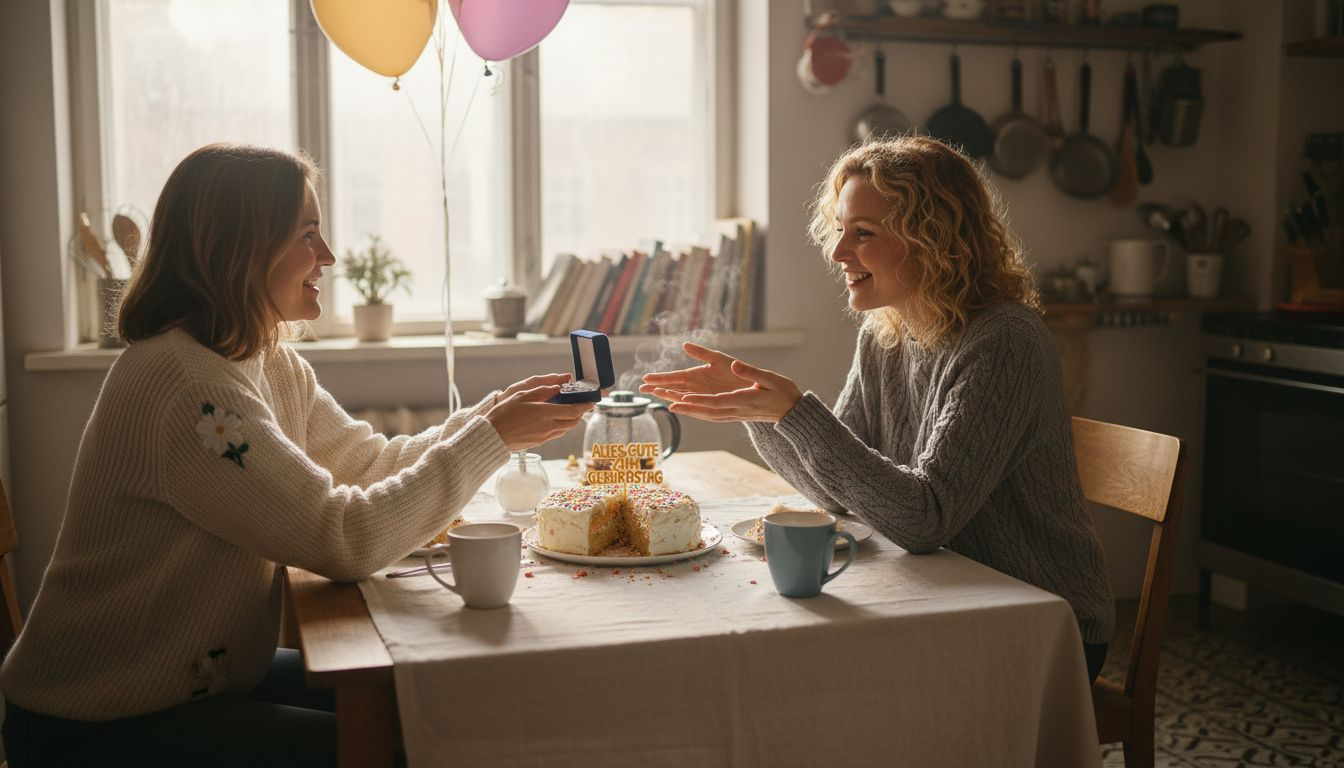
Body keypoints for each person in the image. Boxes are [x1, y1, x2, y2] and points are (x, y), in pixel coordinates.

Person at [0, 143, 591, 766]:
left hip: (202, 684)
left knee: (431, 705)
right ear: (240, 248)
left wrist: (493, 414)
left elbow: (369, 464)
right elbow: (346, 540)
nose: (328, 257)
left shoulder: (263, 357)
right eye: (308, 234)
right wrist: (492, 436)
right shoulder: (189, 390)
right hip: (99, 724)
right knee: (407, 740)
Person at [641, 136, 1114, 683]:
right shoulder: (885, 332)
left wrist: (797, 415)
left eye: (863, 234)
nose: (839, 253)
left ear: (934, 239)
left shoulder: (1004, 342)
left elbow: (924, 520)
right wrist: (766, 414)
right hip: (949, 593)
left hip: (1045, 619)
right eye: (840, 230)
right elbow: (838, 492)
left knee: (808, 674)